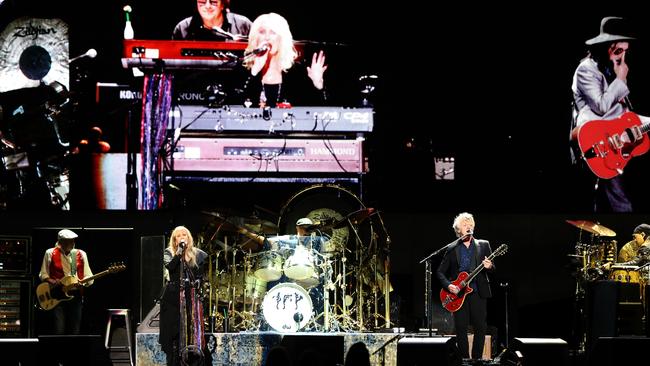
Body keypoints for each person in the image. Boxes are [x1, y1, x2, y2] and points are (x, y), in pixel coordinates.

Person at [570, 16, 650, 212]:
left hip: (617, 143)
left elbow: (623, 114)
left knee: (617, 201)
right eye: (617, 51)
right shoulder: (586, 70)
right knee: (620, 203)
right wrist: (621, 78)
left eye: (624, 51)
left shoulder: (610, 68)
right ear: (603, 47)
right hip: (595, 143)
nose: (620, 57)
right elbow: (602, 107)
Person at [436, 212, 493, 361]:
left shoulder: (484, 244)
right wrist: (449, 286)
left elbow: (493, 267)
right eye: (464, 225)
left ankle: (476, 359)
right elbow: (440, 272)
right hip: (458, 294)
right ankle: (464, 360)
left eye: (470, 224)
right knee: (461, 328)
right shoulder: (452, 248)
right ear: (458, 230)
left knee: (480, 327)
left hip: (478, 292)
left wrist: (489, 266)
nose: (468, 226)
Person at [241, 12, 328, 108]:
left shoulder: (297, 73)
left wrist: (318, 86)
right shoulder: (244, 71)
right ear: (255, 38)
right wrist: (254, 70)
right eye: (262, 32)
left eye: (273, 32)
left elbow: (317, 113)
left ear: (282, 38)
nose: (267, 37)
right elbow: (232, 104)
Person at [159, 226, 209, 366]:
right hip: (173, 300)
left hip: (190, 298)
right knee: (174, 337)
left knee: (191, 334)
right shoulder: (169, 253)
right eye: (178, 236)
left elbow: (201, 277)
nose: (182, 237)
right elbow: (171, 268)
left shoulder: (198, 255)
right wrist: (179, 252)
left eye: (184, 235)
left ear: (189, 238)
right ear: (175, 240)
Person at [38, 229, 94, 334]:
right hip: (57, 294)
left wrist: (82, 283)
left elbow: (88, 276)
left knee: (75, 329)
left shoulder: (81, 254)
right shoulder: (50, 253)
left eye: (73, 240)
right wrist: (52, 281)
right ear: (60, 242)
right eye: (68, 241)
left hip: (75, 295)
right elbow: (43, 273)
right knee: (59, 329)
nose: (72, 243)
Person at [172, 0, 251, 41]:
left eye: (213, 2)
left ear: (223, 5)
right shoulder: (182, 28)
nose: (207, 6)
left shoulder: (243, 25)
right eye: (202, 2)